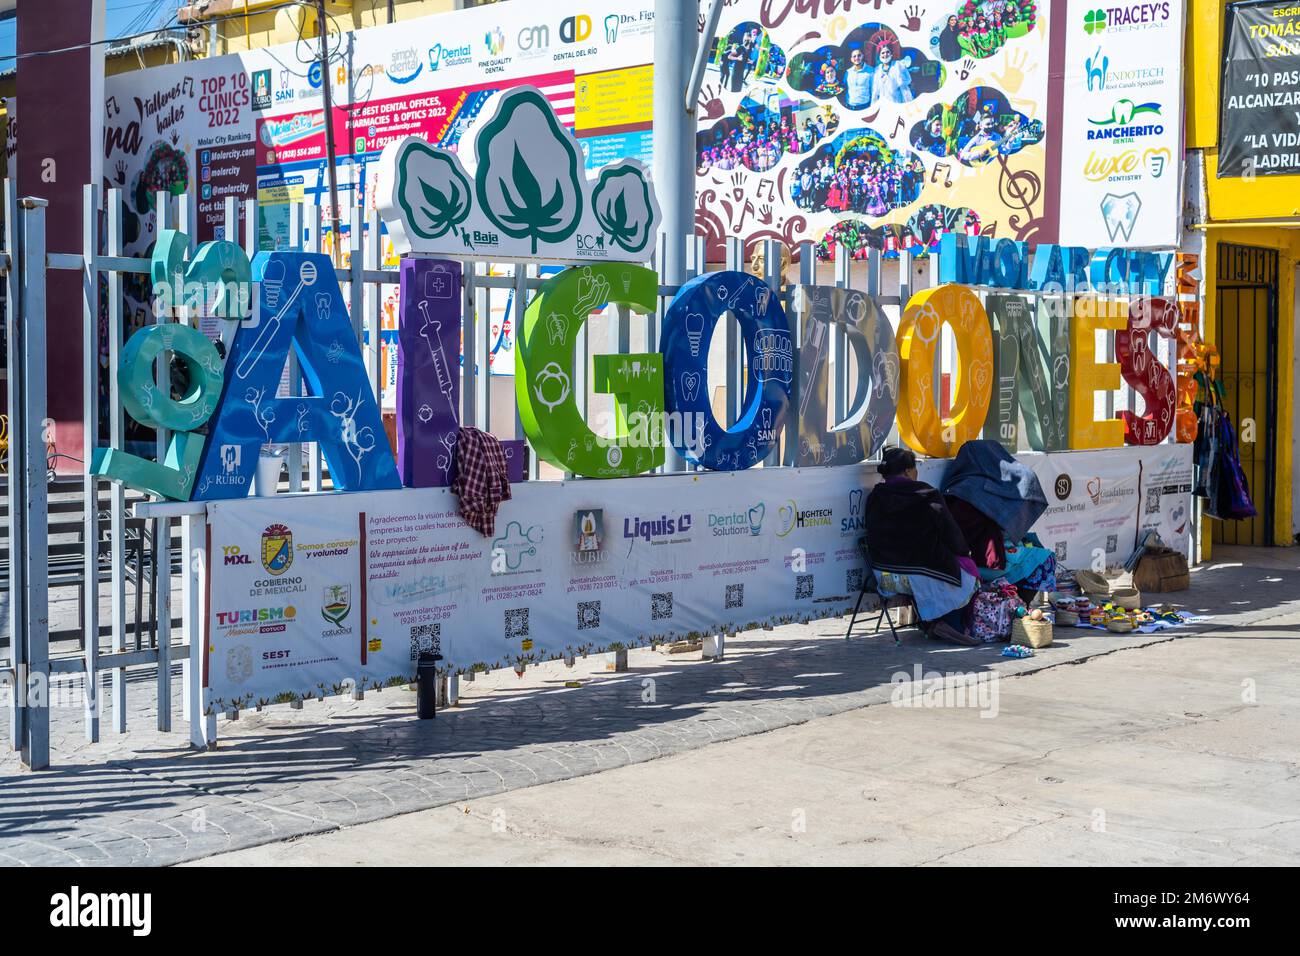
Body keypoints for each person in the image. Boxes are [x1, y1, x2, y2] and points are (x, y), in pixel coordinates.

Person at [866, 447, 980, 645]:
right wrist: (963, 552)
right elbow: (950, 531)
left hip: (883, 575)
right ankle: (946, 625)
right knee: (968, 574)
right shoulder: (926, 494)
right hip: (917, 572)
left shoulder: (875, 496)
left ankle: (933, 623)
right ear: (909, 471)